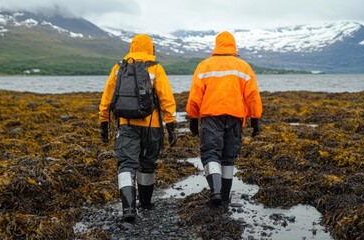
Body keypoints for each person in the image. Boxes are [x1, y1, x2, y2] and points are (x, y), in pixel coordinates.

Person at [99, 34, 177, 221]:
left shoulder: (119, 67)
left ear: (132, 47)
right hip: (152, 125)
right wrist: (171, 125)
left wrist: (103, 122)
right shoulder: (156, 68)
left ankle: (128, 209)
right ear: (151, 48)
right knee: (147, 164)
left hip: (126, 124)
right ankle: (146, 203)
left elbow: (107, 98)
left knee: (126, 164)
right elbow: (166, 98)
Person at [186, 31, 262, 207]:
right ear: (233, 46)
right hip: (235, 116)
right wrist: (255, 118)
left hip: (211, 115)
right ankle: (225, 198)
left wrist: (192, 117)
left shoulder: (205, 66)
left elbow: (195, 96)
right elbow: (252, 95)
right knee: (228, 157)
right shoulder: (243, 67)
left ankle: (216, 193)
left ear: (217, 45)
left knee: (211, 153)